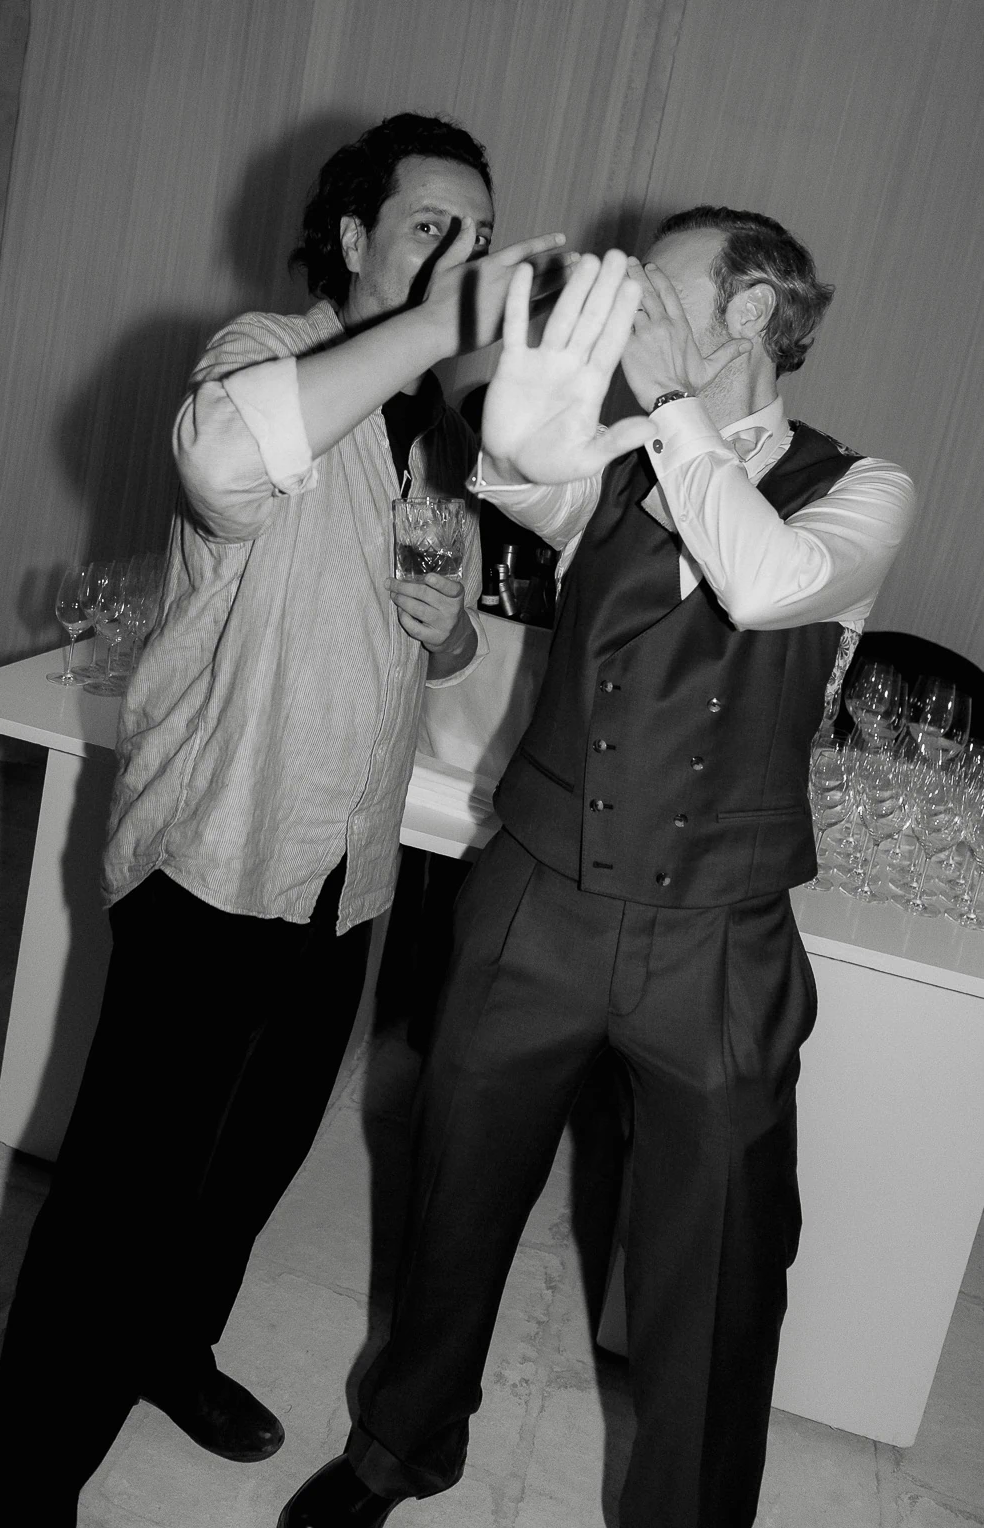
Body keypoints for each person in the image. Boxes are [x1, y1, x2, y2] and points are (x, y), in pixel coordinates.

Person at [0, 113, 571, 1527]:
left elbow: (432, 643)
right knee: (120, 1199)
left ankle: (172, 1351)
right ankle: (17, 1491)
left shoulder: (438, 448)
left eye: (479, 236)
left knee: (252, 1163)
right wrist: (440, 329)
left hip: (340, 874)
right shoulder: (258, 359)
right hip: (218, 858)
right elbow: (226, 468)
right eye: (432, 228)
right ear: (352, 242)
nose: (460, 258)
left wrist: (450, 640)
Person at [279, 211, 916, 1528]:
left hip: (715, 941)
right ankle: (398, 1448)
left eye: (656, 283)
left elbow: (765, 579)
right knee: (454, 1192)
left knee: (717, 1263)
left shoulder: (864, 490)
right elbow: (521, 475)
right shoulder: (610, 462)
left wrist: (670, 414)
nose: (621, 301)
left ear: (749, 311)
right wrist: (518, 430)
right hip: (541, 899)